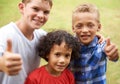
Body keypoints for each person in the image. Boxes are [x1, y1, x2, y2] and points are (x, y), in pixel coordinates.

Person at [0, 0, 52, 84]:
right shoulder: (4, 35)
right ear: (22, 8)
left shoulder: (41, 36)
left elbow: (62, 43)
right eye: (35, 9)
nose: (41, 15)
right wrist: (1, 64)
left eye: (46, 12)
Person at [71, 3, 119, 84]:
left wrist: (114, 54)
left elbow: (114, 57)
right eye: (79, 26)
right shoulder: (69, 46)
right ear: (73, 28)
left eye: (90, 25)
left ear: (98, 27)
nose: (85, 30)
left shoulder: (102, 45)